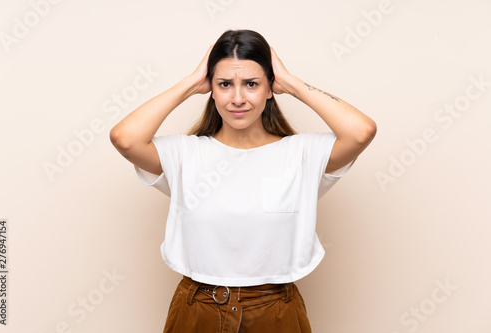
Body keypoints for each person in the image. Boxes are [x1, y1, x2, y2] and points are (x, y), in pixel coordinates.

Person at [110, 29, 376, 333]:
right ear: (211, 88)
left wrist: (291, 83)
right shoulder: (186, 153)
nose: (238, 98)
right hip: (197, 309)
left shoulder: (301, 153)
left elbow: (361, 131)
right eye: (225, 84)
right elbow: (124, 138)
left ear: (269, 88)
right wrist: (189, 85)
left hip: (275, 310)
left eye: (251, 84)